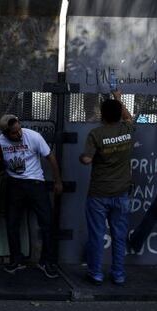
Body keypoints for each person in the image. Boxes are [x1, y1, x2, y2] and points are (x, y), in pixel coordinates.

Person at [0, 114, 62, 279]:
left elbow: (50, 157)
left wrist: (57, 181)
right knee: (12, 224)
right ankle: (16, 259)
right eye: (13, 133)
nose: (18, 135)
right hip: (14, 184)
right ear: (5, 133)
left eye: (19, 130)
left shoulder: (33, 136)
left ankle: (46, 261)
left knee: (46, 222)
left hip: (35, 184)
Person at [79, 90, 133, 285]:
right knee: (119, 237)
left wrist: (84, 158)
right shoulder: (127, 130)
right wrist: (118, 98)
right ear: (119, 114)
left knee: (96, 235)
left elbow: (86, 159)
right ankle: (118, 275)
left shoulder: (96, 134)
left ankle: (96, 274)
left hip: (99, 194)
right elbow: (129, 116)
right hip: (122, 194)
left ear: (102, 114)